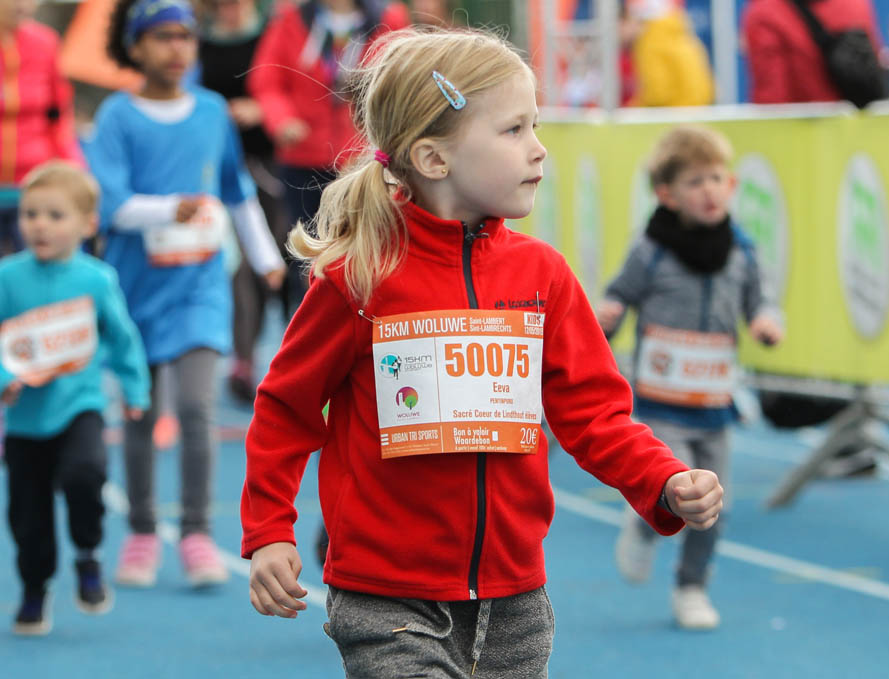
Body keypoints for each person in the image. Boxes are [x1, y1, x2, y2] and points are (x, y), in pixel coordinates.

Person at [240, 27, 724, 677]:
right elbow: (286, 408)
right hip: (388, 597)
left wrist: (662, 480)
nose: (539, 148)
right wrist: (269, 529)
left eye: (535, 126)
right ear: (434, 158)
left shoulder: (544, 276)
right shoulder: (359, 278)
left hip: (514, 597)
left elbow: (594, 414)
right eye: (514, 130)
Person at [86, 0, 286, 589]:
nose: (176, 47)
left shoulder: (211, 111)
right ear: (136, 46)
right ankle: (143, 531)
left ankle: (197, 533)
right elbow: (113, 205)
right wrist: (169, 208)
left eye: (186, 36)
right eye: (162, 36)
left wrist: (266, 258)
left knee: (198, 408)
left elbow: (235, 190)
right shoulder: (117, 117)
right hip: (135, 290)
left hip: (200, 288)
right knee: (141, 412)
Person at [597, 125, 784, 630]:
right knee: (675, 487)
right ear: (667, 194)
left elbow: (760, 301)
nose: (709, 190)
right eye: (695, 181)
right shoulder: (651, 250)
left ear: (732, 184)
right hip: (663, 403)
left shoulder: (741, 251)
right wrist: (610, 312)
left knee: (713, 505)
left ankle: (692, 586)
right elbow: (620, 293)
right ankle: (644, 525)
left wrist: (766, 322)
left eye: (716, 178)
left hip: (715, 403)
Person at [0, 162, 150, 635]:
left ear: (87, 224)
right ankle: (35, 587)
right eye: (30, 214)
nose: (39, 225)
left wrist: (134, 390)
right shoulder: (5, 278)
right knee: (28, 518)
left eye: (54, 215)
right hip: (24, 421)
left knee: (85, 474)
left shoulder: (97, 280)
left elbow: (122, 337)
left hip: (79, 406)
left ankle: (88, 552)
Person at [0, 0, 85, 464]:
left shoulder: (43, 43)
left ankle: (50, 411)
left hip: (33, 190)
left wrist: (73, 175)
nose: (24, 5)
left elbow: (59, 114)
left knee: (38, 301)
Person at [248, 0, 409, 318]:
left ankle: (366, 321)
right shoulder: (290, 20)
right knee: (306, 251)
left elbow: (405, 80)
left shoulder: (388, 19)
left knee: (369, 247)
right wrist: (282, 121)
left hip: (366, 161)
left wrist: (383, 137)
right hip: (303, 158)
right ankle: (309, 322)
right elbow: (267, 81)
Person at [198, 0, 289, 402]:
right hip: (219, 166)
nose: (228, 10)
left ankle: (285, 356)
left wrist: (262, 109)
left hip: (272, 164)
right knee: (239, 267)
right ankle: (244, 359)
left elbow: (291, 88)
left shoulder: (274, 34)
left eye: (234, 3)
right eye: (220, 5)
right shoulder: (198, 42)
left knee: (275, 263)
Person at [741, 0, 882, 104]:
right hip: (860, 129)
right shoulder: (857, 3)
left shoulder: (765, 12)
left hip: (801, 132)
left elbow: (771, 101)